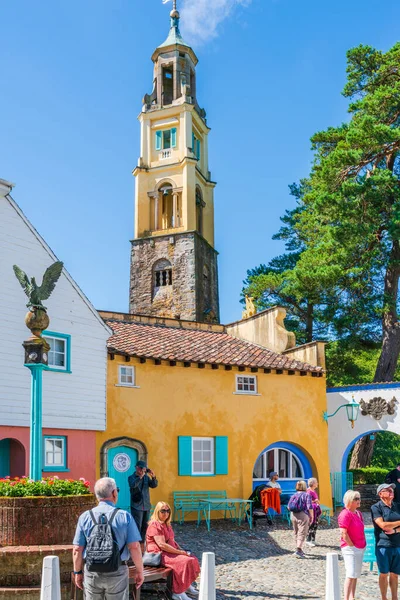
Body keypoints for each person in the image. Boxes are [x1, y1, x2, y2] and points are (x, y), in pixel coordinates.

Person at [72, 477, 144, 600]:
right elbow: (134, 547)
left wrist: (77, 573)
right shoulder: (124, 516)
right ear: (114, 493)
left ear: (97, 495)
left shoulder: (85, 517)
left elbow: (77, 549)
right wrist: (139, 571)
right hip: (118, 570)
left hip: (92, 571)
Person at [146, 502, 200, 600]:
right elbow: (162, 545)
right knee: (183, 562)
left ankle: (186, 585)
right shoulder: (155, 525)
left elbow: (172, 540)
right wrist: (180, 553)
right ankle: (177, 592)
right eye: (163, 511)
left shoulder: (167, 524)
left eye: (168, 511)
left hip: (169, 552)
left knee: (192, 559)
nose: (166, 513)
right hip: (158, 555)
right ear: (157, 512)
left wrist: (182, 550)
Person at [371, 483, 400, 600]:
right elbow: (383, 525)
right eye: (388, 490)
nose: (391, 491)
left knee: (395, 574)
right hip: (383, 545)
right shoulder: (376, 507)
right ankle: (384, 598)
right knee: (383, 574)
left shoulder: (398, 506)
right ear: (380, 494)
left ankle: (395, 598)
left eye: (392, 489)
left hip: (397, 544)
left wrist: (395, 530)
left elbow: (390, 527)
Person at [338, 490, 366, 600]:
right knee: (350, 574)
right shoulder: (345, 514)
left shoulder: (358, 513)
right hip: (350, 548)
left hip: (360, 546)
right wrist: (352, 545)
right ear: (349, 500)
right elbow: (343, 533)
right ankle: (346, 598)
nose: (359, 501)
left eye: (359, 498)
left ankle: (352, 597)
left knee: (355, 575)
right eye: (356, 499)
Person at [128, 460, 158, 550]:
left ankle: (142, 546)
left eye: (144, 469)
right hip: (137, 505)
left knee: (145, 526)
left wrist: (153, 477)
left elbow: (153, 485)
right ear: (137, 468)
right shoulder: (131, 477)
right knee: (137, 526)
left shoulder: (146, 477)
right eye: (141, 468)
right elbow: (133, 485)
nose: (142, 471)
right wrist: (140, 477)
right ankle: (135, 545)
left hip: (146, 505)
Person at [289, 480, 313, 558]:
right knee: (302, 532)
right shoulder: (306, 495)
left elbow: (289, 507)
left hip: (293, 515)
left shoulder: (293, 495)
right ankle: (298, 549)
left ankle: (299, 548)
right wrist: (311, 516)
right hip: (303, 514)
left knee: (296, 532)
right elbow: (309, 506)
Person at [306, 477, 322, 547]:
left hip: (316, 510)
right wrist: (315, 501)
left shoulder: (313, 491)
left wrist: (317, 502)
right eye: (316, 482)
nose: (317, 483)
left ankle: (313, 539)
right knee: (311, 525)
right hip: (311, 510)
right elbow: (307, 501)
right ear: (313, 484)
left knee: (315, 525)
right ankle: (308, 540)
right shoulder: (308, 491)